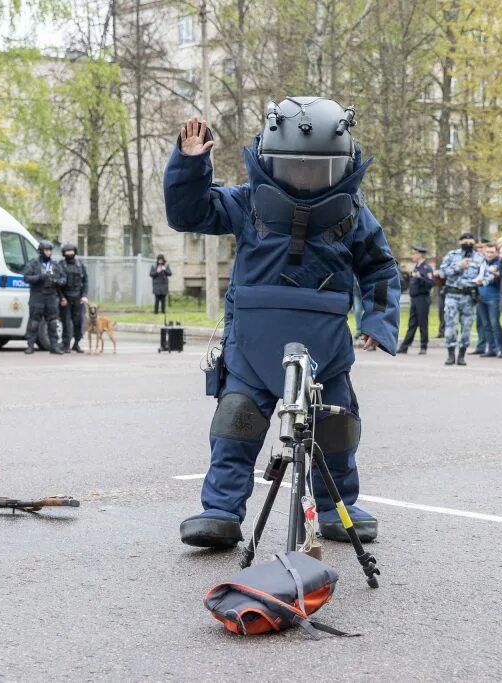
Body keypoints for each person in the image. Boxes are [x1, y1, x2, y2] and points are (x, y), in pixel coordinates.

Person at [163, 100, 400, 548]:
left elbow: (380, 271)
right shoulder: (249, 203)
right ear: (272, 161)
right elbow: (189, 213)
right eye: (295, 167)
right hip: (252, 344)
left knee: (336, 430)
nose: (306, 178)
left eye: (318, 169)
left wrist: (379, 322)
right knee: (236, 424)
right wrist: (191, 165)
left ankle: (335, 508)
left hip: (324, 349)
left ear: (341, 165)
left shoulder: (352, 214)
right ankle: (221, 511)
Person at [439, 232, 486, 366]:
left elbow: (485, 274)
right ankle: (450, 355)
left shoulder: (479, 258)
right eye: (465, 240)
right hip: (452, 295)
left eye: (471, 240)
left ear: (474, 243)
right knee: (450, 326)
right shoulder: (452, 255)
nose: (468, 242)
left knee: (466, 328)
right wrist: (458, 266)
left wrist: (483, 281)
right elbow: (442, 273)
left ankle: (461, 356)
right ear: (460, 242)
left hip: (469, 297)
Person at [22, 240, 66, 355]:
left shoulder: (55, 265)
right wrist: (39, 277)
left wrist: (59, 281)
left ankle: (54, 346)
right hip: (37, 295)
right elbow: (26, 277)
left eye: (50, 250)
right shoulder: (33, 263)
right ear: (41, 251)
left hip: (51, 296)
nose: (49, 252)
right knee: (34, 322)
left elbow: (63, 278)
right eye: (46, 250)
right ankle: (30, 346)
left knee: (52, 322)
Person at [397, 244, 434, 354]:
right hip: (414, 299)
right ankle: (405, 347)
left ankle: (423, 346)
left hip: (422, 298)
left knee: (423, 323)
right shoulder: (417, 267)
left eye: (414, 253)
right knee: (412, 323)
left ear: (420, 255)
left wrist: (420, 277)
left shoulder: (426, 268)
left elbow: (431, 283)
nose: (412, 256)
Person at [476, 243, 502, 357]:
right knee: (485, 324)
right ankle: (492, 348)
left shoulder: (499, 264)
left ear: (496, 253)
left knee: (495, 323)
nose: (489, 254)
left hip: (494, 298)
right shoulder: (481, 263)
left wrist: (496, 276)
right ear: (484, 252)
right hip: (481, 297)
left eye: (492, 252)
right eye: (487, 252)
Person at [59, 242, 88, 353]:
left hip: (78, 298)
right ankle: (66, 345)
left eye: (71, 251)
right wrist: (62, 297)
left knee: (78, 322)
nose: (69, 253)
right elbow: (58, 284)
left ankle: (76, 343)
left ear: (75, 252)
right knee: (66, 322)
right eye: (67, 251)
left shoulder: (80, 265)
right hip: (66, 298)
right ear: (64, 253)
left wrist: (84, 295)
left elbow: (85, 281)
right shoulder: (61, 265)